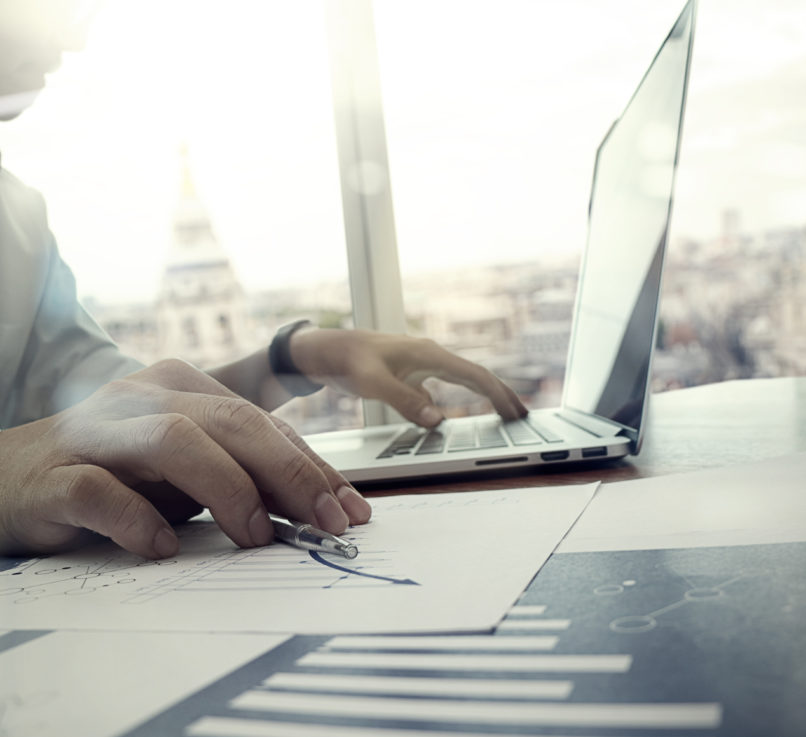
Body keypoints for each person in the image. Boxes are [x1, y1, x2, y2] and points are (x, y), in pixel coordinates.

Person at [0, 1, 527, 561]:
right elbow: (36, 455)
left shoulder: (17, 221)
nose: (71, 43)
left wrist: (294, 360)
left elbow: (128, 420)